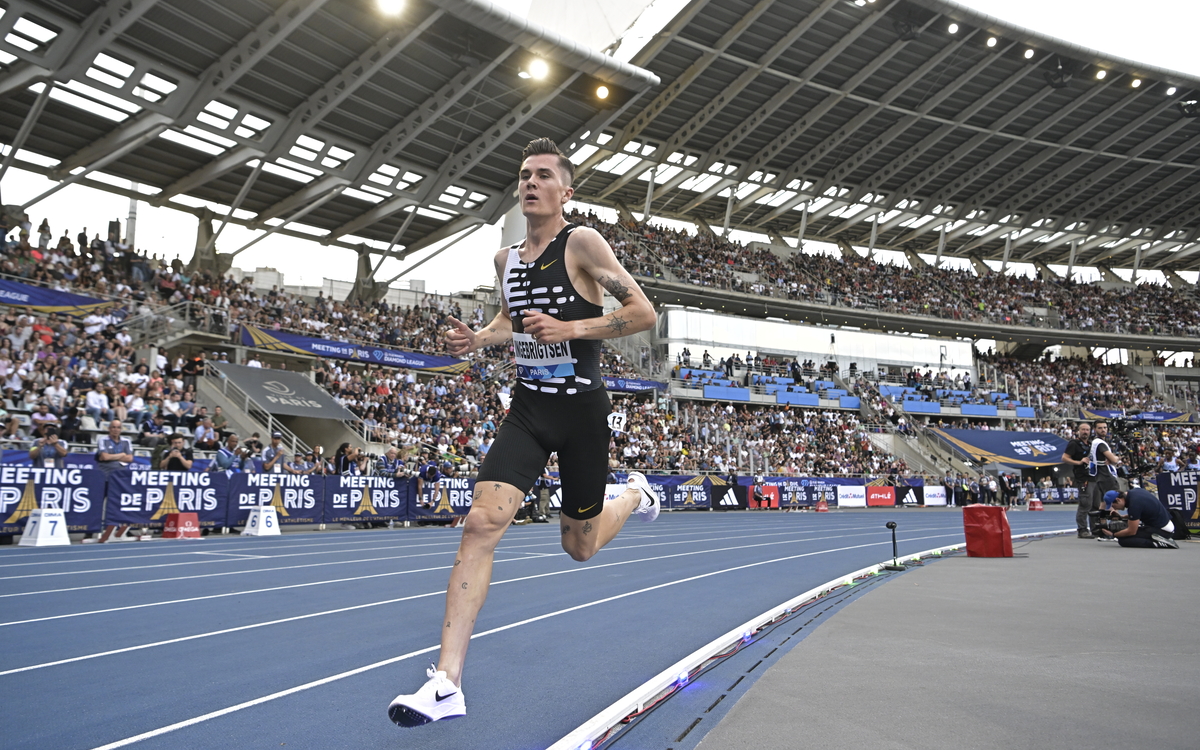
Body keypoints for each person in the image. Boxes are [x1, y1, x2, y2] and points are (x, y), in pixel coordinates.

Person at [388, 137, 660, 728]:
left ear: (565, 191)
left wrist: (571, 327)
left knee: (578, 546)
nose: (530, 183)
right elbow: (510, 322)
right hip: (530, 410)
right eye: (523, 175)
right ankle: (446, 683)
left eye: (543, 175)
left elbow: (642, 313)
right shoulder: (504, 260)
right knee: (480, 523)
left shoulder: (582, 243)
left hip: (582, 413)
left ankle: (636, 493)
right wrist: (478, 340)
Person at [1097, 490, 1179, 549]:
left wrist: (1113, 534)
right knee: (1125, 532)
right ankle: (1159, 538)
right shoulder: (1135, 492)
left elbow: (1132, 531)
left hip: (1162, 530)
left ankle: (1157, 543)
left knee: (1123, 540)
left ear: (1118, 500)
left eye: (1113, 506)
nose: (1113, 508)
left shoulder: (1134, 505)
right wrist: (1125, 517)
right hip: (1166, 524)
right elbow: (1145, 510)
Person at [1086, 420, 1121, 534]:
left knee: (1103, 503)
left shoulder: (1095, 443)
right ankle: (1115, 529)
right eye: (1100, 428)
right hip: (1106, 476)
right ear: (1095, 430)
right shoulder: (1100, 443)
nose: (1103, 430)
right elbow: (1114, 460)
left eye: (1105, 427)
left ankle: (1101, 529)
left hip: (1099, 476)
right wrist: (1116, 459)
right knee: (1113, 503)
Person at [1061, 422, 1093, 537]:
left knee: (1094, 504)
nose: (1085, 432)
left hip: (1093, 476)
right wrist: (1078, 462)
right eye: (1083, 429)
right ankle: (1082, 529)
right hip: (1082, 477)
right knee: (1085, 503)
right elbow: (1064, 458)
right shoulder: (1074, 443)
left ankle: (1094, 528)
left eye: (1087, 430)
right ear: (1078, 431)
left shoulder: (1091, 444)